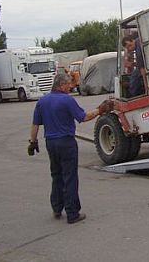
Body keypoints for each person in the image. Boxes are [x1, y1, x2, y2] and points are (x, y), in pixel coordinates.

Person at [28, 73, 113, 224]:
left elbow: (35, 124)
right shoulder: (67, 100)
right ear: (61, 85)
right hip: (66, 143)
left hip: (51, 143)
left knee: (56, 175)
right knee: (70, 177)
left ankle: (56, 208)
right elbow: (83, 117)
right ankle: (73, 213)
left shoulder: (42, 101)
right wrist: (100, 109)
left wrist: (32, 142)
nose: (71, 87)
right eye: (68, 84)